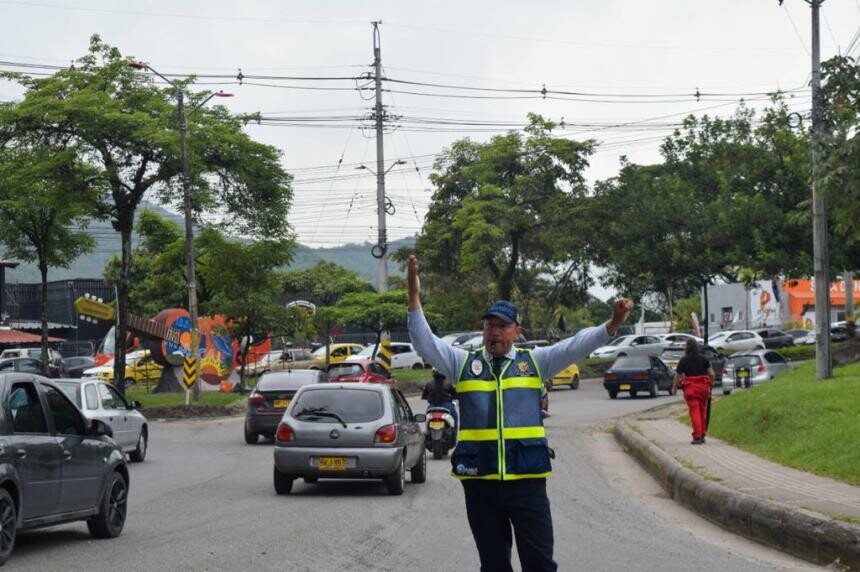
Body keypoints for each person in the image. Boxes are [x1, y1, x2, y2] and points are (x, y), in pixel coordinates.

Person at [406, 254, 633, 572]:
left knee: (539, 563)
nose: (494, 332)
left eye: (502, 326)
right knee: (494, 565)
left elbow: (574, 347)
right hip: (480, 480)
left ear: (516, 331)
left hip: (526, 480)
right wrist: (414, 298)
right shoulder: (463, 364)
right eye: (489, 325)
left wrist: (611, 325)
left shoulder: (535, 362)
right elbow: (425, 342)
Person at [671, 339, 715, 445]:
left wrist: (674, 388)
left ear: (687, 347)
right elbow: (712, 374)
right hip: (703, 388)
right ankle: (702, 433)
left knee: (694, 411)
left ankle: (697, 436)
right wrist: (710, 385)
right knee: (702, 410)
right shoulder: (704, 359)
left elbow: (677, 375)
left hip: (691, 388)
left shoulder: (684, 360)